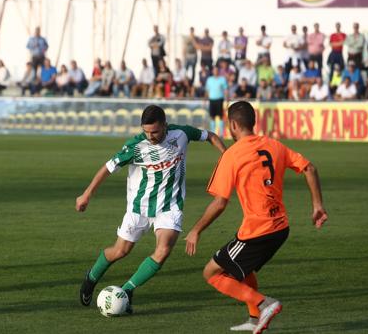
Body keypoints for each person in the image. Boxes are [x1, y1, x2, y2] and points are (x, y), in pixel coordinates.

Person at [184, 101, 327, 333]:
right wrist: (317, 205)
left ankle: (265, 303)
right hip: (281, 228)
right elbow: (309, 168)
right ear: (253, 122)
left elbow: (220, 203)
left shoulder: (232, 155)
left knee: (212, 273)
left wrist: (196, 230)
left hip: (258, 231)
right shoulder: (274, 145)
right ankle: (254, 318)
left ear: (232, 125)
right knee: (244, 268)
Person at [77, 105, 226, 313]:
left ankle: (127, 290)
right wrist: (87, 194)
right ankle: (91, 278)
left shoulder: (181, 133)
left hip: (170, 206)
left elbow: (209, 135)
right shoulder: (135, 146)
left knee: (163, 250)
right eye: (146, 131)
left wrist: (226, 155)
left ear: (165, 125)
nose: (150, 136)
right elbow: (108, 168)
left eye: (154, 131)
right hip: (139, 207)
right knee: (120, 251)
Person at [205, 66, 228, 135]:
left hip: (219, 99)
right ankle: (212, 133)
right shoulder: (209, 79)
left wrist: (227, 100)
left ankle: (221, 134)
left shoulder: (222, 79)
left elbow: (226, 90)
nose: (216, 72)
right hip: (212, 100)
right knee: (212, 117)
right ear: (212, 71)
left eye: (217, 70)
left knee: (220, 116)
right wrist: (205, 99)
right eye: (214, 70)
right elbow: (207, 90)